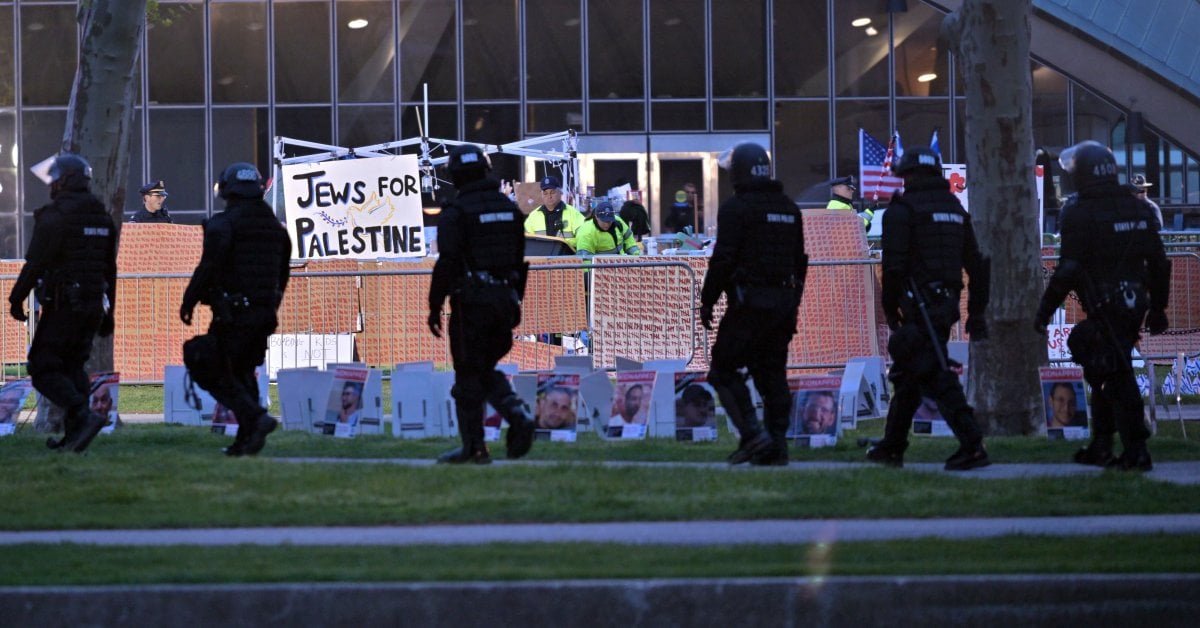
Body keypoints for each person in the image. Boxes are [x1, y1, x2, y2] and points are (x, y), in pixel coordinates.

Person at [1035, 140, 1171, 471]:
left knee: (1110, 368)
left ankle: (1136, 448)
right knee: (1107, 366)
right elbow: (1159, 263)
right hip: (1134, 302)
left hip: (1105, 303)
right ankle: (1101, 443)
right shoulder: (1137, 208)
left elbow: (1068, 269)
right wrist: (1157, 308)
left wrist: (1044, 311)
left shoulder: (1079, 212)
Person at [868, 146, 991, 471]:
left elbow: (893, 268)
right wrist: (976, 313)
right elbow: (978, 267)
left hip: (918, 305)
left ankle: (972, 443)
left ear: (907, 175)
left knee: (935, 373)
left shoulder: (902, 210)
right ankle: (892, 446)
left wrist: (889, 308)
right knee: (908, 374)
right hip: (946, 303)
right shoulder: (955, 210)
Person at [701, 142, 808, 466]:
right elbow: (800, 263)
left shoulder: (737, 208)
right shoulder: (790, 209)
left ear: (738, 173)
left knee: (723, 370)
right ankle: (777, 447)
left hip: (748, 305)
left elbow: (723, 260)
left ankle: (752, 434)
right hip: (783, 305)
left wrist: (707, 301)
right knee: (772, 373)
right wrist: (793, 306)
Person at [428, 144, 536, 464]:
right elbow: (519, 262)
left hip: (471, 304)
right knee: (483, 370)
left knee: (467, 376)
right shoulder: (510, 209)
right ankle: (514, 415)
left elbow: (447, 263)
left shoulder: (456, 213)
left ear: (455, 175)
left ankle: (475, 445)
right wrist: (513, 300)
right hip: (505, 302)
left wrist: (434, 307)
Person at [180, 162, 291, 457]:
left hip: (234, 313)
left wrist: (189, 301)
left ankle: (254, 417)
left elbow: (208, 267)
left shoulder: (224, 224)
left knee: (205, 361)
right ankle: (247, 440)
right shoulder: (277, 230)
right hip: (264, 314)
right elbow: (282, 277)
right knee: (243, 372)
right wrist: (269, 307)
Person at [8, 154, 116, 453]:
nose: (52, 184)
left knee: (42, 367)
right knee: (71, 367)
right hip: (94, 306)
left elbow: (35, 264)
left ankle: (82, 413)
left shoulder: (55, 216)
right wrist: (111, 313)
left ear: (65, 180)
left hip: (65, 306)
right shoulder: (102, 217)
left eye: (55, 179)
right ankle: (75, 437)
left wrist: (16, 299)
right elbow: (111, 268)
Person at [523, 175, 586, 251]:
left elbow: (584, 237)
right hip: (541, 260)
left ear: (560, 192)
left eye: (552, 192)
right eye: (545, 193)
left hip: (567, 259)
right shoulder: (533, 216)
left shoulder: (573, 214)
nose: (549, 196)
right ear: (541, 195)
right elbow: (525, 241)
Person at [575, 200, 641, 256]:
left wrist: (636, 254)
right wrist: (587, 271)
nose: (607, 224)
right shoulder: (586, 232)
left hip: (620, 264)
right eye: (604, 221)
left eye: (609, 221)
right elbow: (585, 260)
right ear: (596, 217)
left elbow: (629, 239)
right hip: (600, 268)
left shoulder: (618, 222)